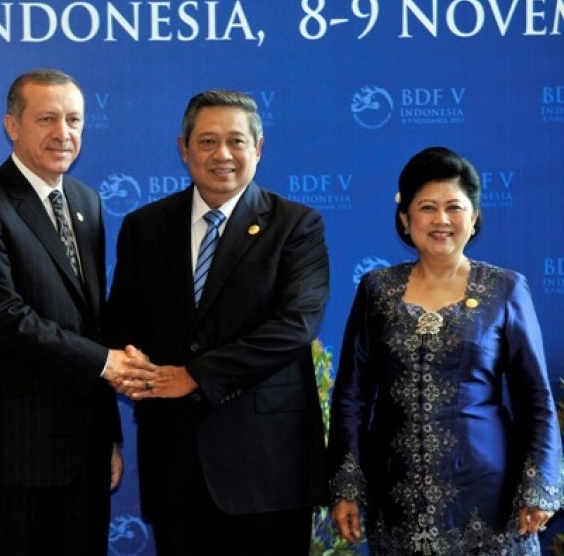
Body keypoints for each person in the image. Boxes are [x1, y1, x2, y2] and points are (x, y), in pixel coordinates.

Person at [104, 89, 330, 556]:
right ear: (183, 149)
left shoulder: (295, 225)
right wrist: (132, 361)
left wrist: (195, 376)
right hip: (176, 460)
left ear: (258, 148)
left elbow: (294, 325)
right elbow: (122, 322)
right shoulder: (144, 227)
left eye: (236, 141)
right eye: (206, 142)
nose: (222, 155)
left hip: (269, 467)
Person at [0, 68, 144, 556]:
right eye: (47, 118)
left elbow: (93, 321)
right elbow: (0, 317)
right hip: (9, 458)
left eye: (74, 119)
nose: (64, 133)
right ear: (13, 125)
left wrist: (109, 436)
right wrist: (106, 363)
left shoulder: (86, 202)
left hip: (82, 456)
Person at [327, 146, 563, 555]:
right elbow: (351, 396)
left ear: (473, 217)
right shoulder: (376, 290)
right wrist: (346, 486)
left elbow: (535, 399)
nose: (441, 220)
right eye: (427, 207)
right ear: (405, 218)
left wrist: (539, 485)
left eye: (454, 207)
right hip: (396, 497)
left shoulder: (505, 289)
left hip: (489, 496)